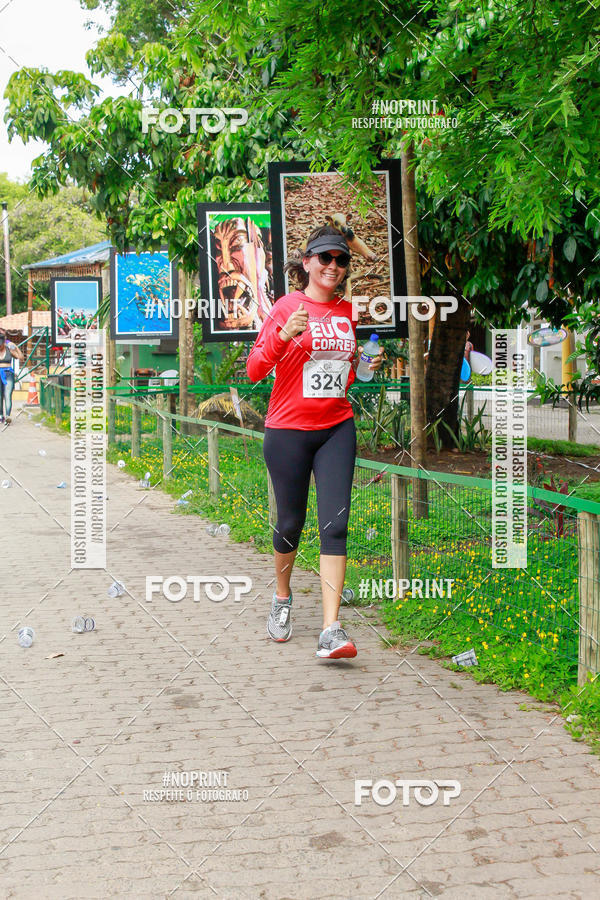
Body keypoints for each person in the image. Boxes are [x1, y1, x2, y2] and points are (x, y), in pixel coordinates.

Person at [246, 225, 384, 659]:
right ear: (307, 262)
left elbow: (351, 373)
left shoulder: (348, 312)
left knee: (335, 525)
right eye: (325, 258)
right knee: (290, 524)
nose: (334, 267)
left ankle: (331, 628)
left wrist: (367, 366)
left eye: (341, 260)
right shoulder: (286, 306)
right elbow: (253, 369)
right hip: (287, 431)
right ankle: (283, 598)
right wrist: (284, 334)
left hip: (336, 428)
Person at [0, 329, 24, 425]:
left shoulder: (9, 349)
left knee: (7, 395)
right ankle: (1, 415)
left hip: (8, 373)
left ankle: (8, 416)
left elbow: (21, 357)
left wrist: (16, 348)